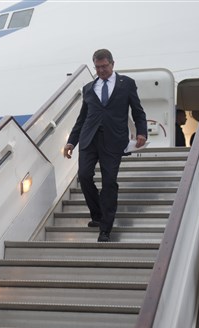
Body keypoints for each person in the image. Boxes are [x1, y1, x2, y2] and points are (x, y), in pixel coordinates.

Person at [63, 49, 148, 242]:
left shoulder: (126, 84)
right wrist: (71, 141)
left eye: (104, 66)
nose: (101, 70)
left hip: (113, 141)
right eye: (98, 67)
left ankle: (105, 228)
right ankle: (98, 214)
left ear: (112, 64)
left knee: (109, 183)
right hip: (88, 139)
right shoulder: (88, 88)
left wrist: (141, 132)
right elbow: (82, 118)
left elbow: (137, 111)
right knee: (84, 177)